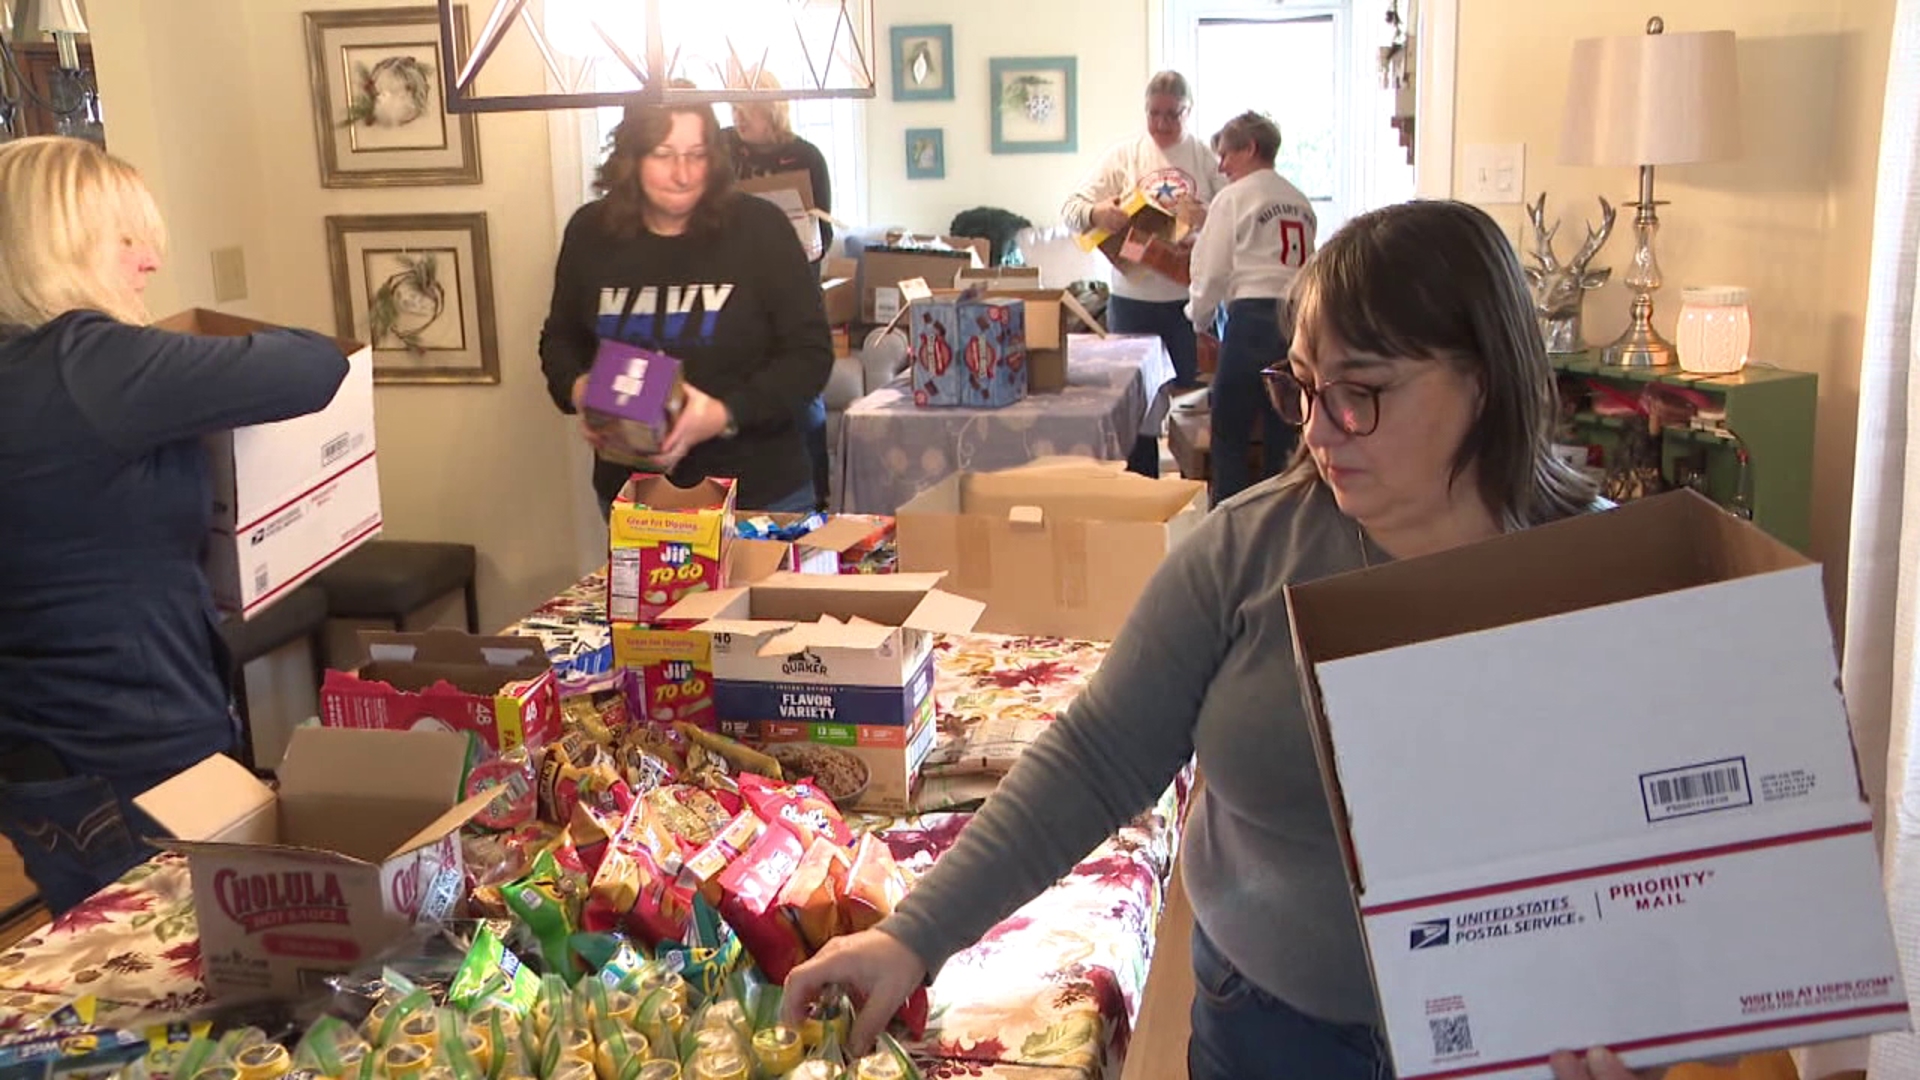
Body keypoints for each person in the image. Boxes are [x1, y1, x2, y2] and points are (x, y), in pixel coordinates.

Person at [781, 200, 1627, 1079]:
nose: (1318, 430)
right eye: (1302, 386)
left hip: (1523, 1039)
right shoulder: (1248, 549)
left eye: (1360, 394)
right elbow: (1097, 756)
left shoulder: (1619, 573)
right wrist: (913, 936)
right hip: (1270, 1031)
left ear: (1484, 377)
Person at [0, 136, 350, 914]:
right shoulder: (89, 364)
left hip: (39, 751)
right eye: (126, 239)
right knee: (186, 979)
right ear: (60, 246)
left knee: (105, 962)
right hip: (133, 749)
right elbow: (315, 363)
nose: (149, 262)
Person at [539, 91, 834, 515]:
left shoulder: (760, 229)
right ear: (631, 158)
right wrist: (580, 389)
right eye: (664, 155)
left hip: (758, 493)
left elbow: (810, 356)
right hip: (634, 498)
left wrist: (721, 414)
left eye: (697, 155)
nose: (683, 174)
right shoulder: (590, 234)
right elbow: (561, 339)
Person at [1061, 70, 1226, 475]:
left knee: (1199, 399)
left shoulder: (1204, 157)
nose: (1163, 124)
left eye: (1173, 115)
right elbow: (1071, 209)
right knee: (1136, 407)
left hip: (1190, 303)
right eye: (1155, 114)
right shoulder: (1124, 156)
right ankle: (1141, 486)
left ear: (1189, 111)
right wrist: (1100, 212)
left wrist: (1210, 216)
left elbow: (1234, 214)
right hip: (1133, 302)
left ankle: (1198, 485)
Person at [1186, 111, 1317, 505]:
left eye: (1226, 155)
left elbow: (1212, 268)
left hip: (1251, 320)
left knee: (1230, 429)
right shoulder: (1300, 200)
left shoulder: (1233, 198)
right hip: (1297, 320)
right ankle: (1281, 515)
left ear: (1250, 149)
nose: (1222, 166)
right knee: (1285, 430)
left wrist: (1199, 316)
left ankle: (1231, 516)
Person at [719, 84, 836, 512]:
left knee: (807, 407)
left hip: (793, 287)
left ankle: (817, 497)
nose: (738, 118)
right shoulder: (723, 152)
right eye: (733, 108)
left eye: (747, 109)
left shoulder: (807, 156)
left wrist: (800, 239)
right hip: (733, 291)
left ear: (772, 110)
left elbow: (823, 231)